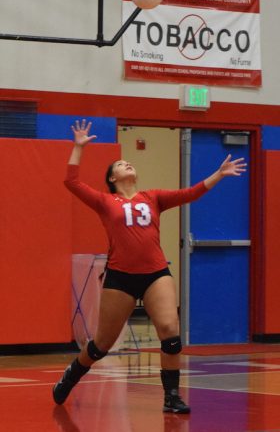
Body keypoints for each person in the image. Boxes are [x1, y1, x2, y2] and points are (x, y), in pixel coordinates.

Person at [53, 119, 247, 413]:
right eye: (120, 163)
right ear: (113, 178)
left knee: (170, 332)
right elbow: (71, 183)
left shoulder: (152, 198)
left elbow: (190, 193)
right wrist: (78, 147)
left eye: (128, 162)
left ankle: (171, 397)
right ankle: (72, 375)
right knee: (101, 345)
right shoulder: (106, 202)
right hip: (120, 277)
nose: (127, 163)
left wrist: (219, 174)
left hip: (155, 273)